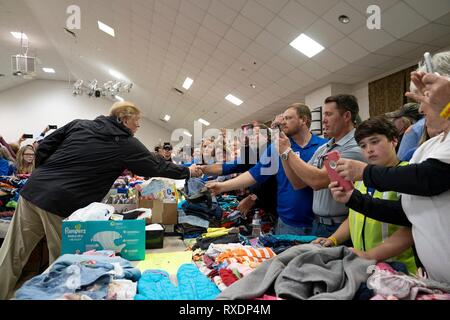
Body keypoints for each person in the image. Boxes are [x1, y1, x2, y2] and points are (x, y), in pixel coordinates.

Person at [0, 101, 202, 299]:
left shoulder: (79, 124)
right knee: (64, 263)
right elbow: (156, 166)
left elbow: (44, 146)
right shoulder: (125, 142)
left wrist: (44, 174)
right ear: (124, 119)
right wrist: (187, 172)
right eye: (137, 122)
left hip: (33, 191)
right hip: (63, 203)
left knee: (11, 253)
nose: (138, 126)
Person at [329, 54, 450, 283]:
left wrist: (364, 173)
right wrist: (353, 199)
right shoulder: (429, 148)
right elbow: (407, 214)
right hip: (436, 283)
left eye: (426, 98)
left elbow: (430, 179)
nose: (421, 110)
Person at [313, 116, 416, 274]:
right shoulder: (360, 179)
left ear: (394, 140)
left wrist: (370, 255)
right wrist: (333, 239)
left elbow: (410, 230)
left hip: (398, 271)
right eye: (363, 145)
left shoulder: (407, 175)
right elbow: (353, 217)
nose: (369, 149)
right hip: (364, 268)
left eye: (375, 142)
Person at [206, 103, 328, 235]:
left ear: (303, 120)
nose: (284, 122)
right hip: (288, 223)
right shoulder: (276, 147)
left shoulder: (323, 147)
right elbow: (254, 174)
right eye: (283, 119)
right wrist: (223, 186)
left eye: (288, 118)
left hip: (320, 224)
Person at [277, 94, 366, 238]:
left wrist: (288, 151)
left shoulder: (355, 147)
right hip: (318, 224)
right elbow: (298, 183)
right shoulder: (324, 148)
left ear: (347, 116)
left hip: (340, 226)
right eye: (324, 114)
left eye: (329, 114)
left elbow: (317, 181)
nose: (323, 120)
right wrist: (283, 154)